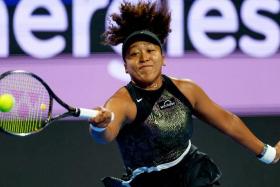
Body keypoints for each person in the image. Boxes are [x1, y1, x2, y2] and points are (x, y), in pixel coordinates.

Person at [88, 1, 280, 187]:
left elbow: (228, 122)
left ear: (163, 58)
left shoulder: (186, 90)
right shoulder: (122, 102)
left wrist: (269, 154)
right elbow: (105, 135)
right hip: (148, 182)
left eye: (150, 50)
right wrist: (99, 127)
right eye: (134, 54)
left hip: (192, 173)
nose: (144, 57)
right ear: (125, 67)